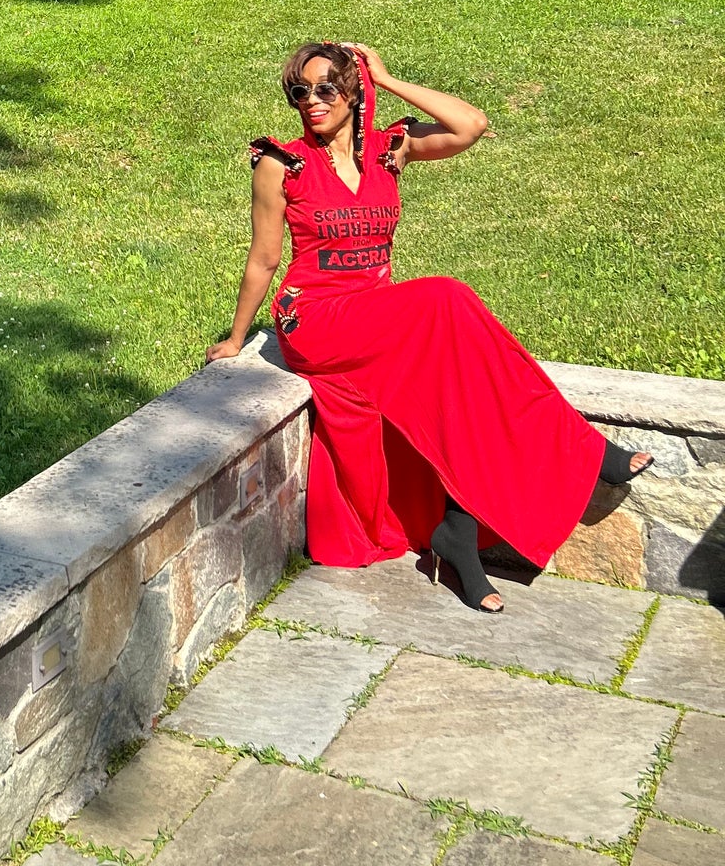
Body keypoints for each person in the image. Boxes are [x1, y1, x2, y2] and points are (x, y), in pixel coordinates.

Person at [206, 41, 651, 613]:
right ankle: (587, 453)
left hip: (377, 313)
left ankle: (458, 534)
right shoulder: (281, 162)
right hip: (315, 317)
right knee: (446, 296)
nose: (311, 102)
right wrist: (239, 338)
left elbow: (471, 124)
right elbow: (264, 258)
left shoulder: (391, 148)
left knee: (465, 391)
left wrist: (386, 79)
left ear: (352, 90)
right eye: (299, 92)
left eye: (325, 88)